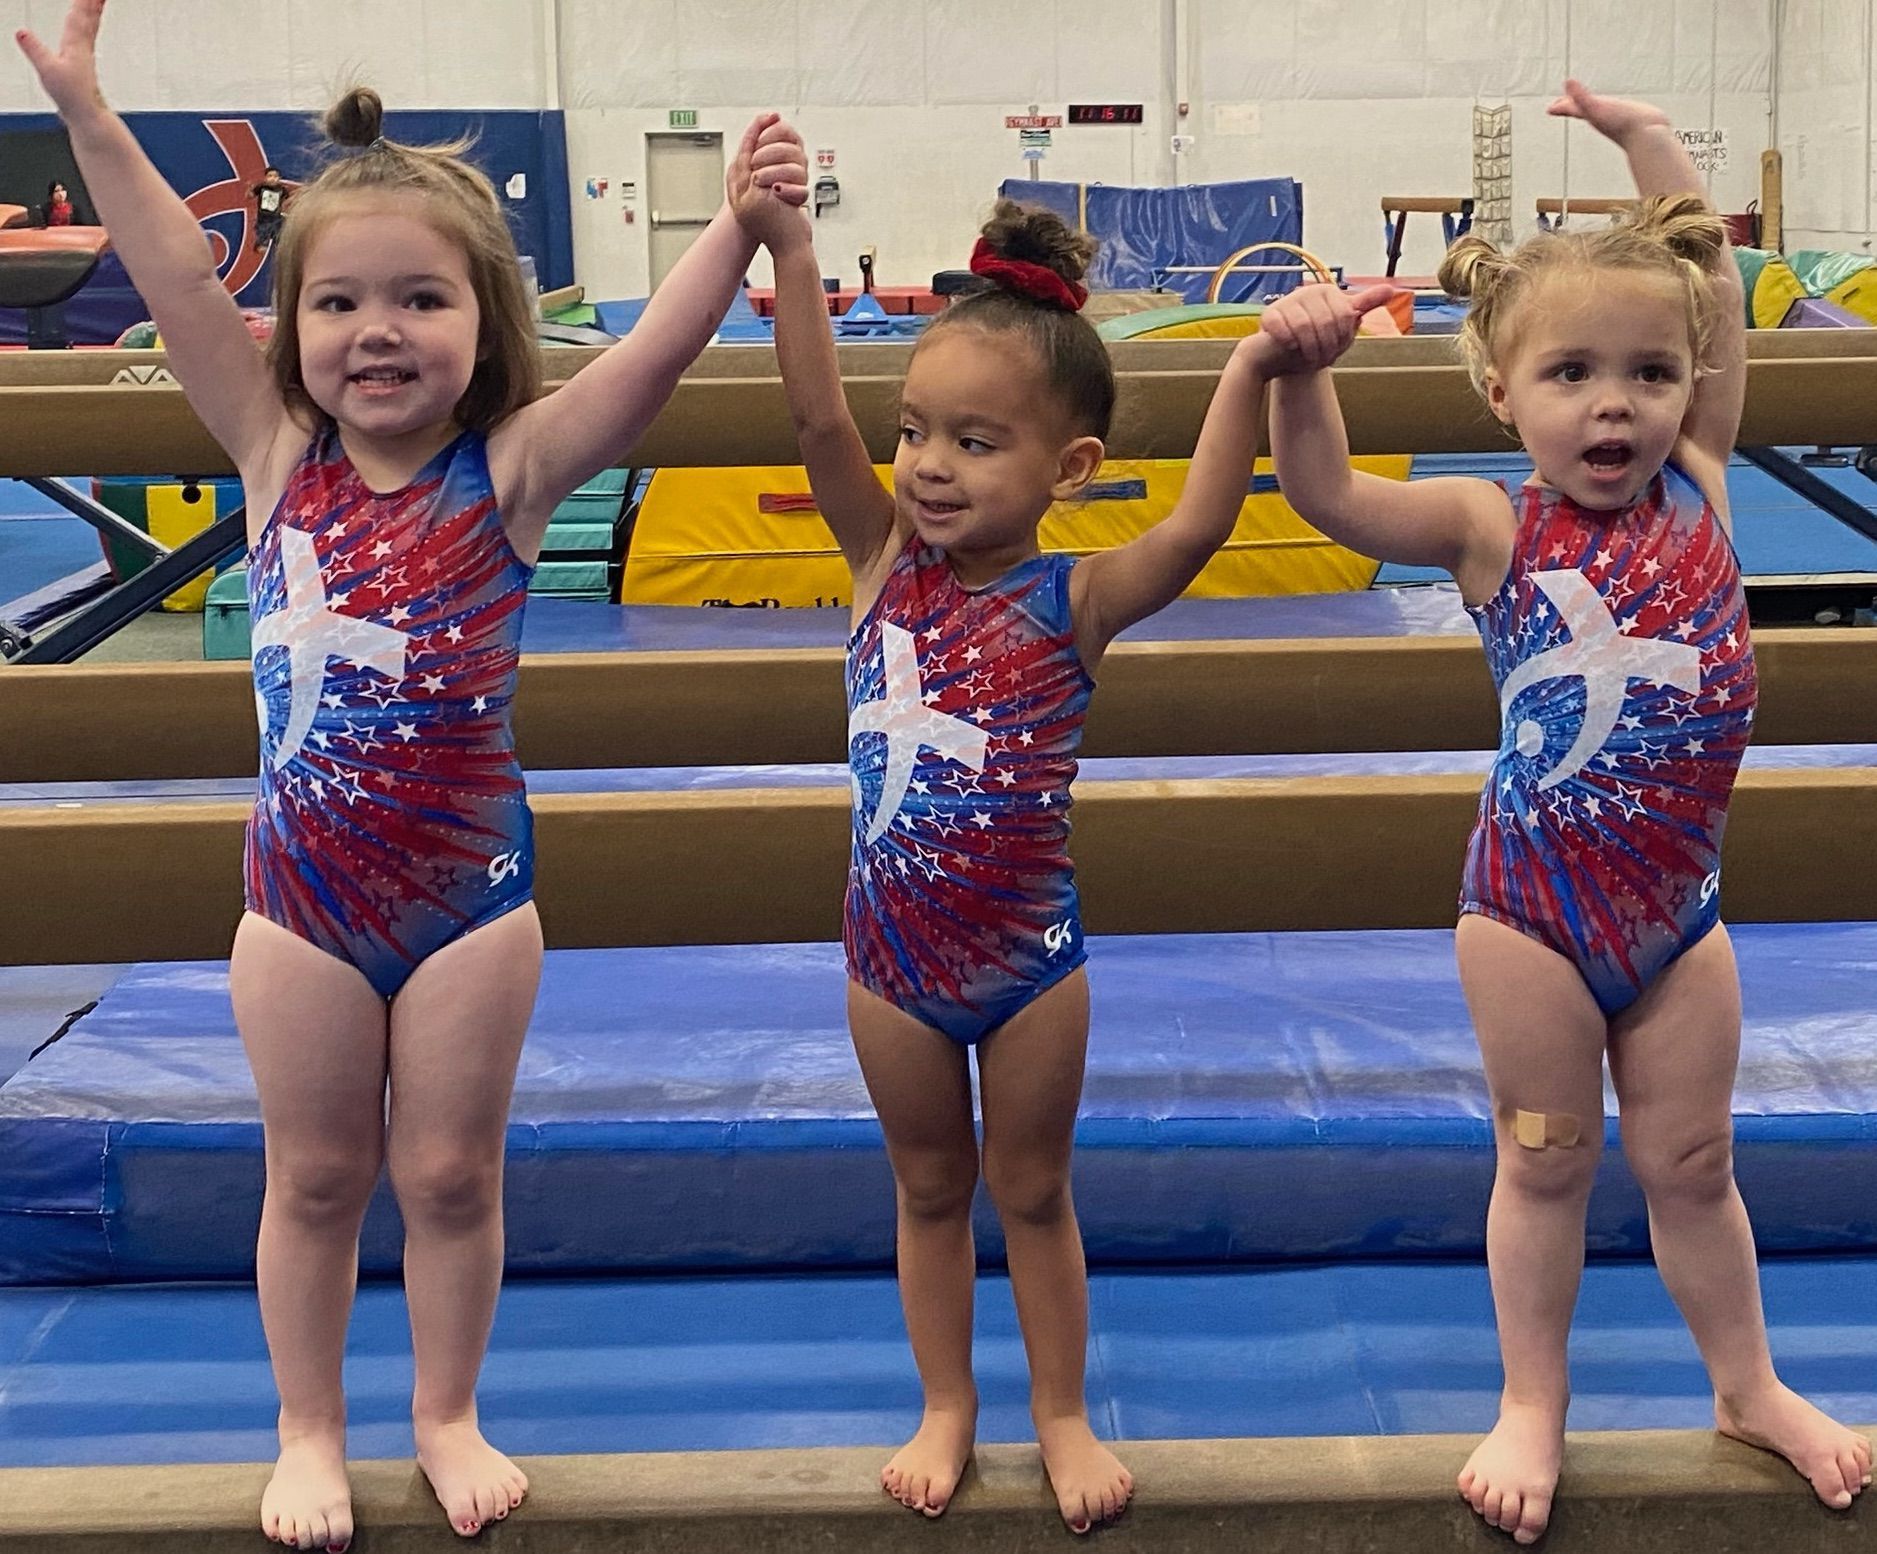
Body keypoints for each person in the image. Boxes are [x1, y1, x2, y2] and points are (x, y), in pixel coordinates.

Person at [17, 3, 807, 1547]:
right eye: (340, 303)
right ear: (292, 327)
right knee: (312, 1176)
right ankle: (309, 1426)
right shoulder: (267, 454)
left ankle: (445, 1408)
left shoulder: (506, 475)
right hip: (300, 905)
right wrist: (88, 111)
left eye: (422, 299)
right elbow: (178, 275)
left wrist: (735, 225)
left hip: (469, 901)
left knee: (448, 1172)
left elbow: (645, 367)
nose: (377, 330)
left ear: (485, 321)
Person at [1260, 78, 1873, 1546]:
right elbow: (1326, 493)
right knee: (1543, 1160)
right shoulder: (1490, 523)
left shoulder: (1709, 486)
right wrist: (1299, 367)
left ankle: (1747, 1384)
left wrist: (1646, 139)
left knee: (1696, 1163)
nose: (1616, 403)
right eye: (1573, 374)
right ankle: (1531, 1399)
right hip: (1531, 915)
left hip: (1681, 919)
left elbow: (1709, 279)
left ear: (1691, 381)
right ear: (1499, 390)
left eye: (1650, 374)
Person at [741, 179, 1292, 1532]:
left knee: (1034, 1194)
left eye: (975, 442)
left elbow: (1199, 527)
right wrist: (794, 245)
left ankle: (1058, 1409)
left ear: (1070, 469)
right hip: (890, 964)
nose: (927, 464)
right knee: (929, 1188)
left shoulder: (1078, 600)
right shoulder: (879, 562)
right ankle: (946, 1403)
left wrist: (1257, 367)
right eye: (917, 431)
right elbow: (818, 416)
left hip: (1033, 962)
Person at [253, 164, 290, 251]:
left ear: (279, 178)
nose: (273, 179)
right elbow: (252, 194)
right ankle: (262, 244)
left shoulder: (282, 190)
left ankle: (278, 243)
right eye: (270, 176)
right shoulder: (261, 188)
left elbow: (286, 200)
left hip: (276, 215)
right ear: (265, 178)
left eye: (275, 176)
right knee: (263, 230)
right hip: (263, 216)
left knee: (278, 229)